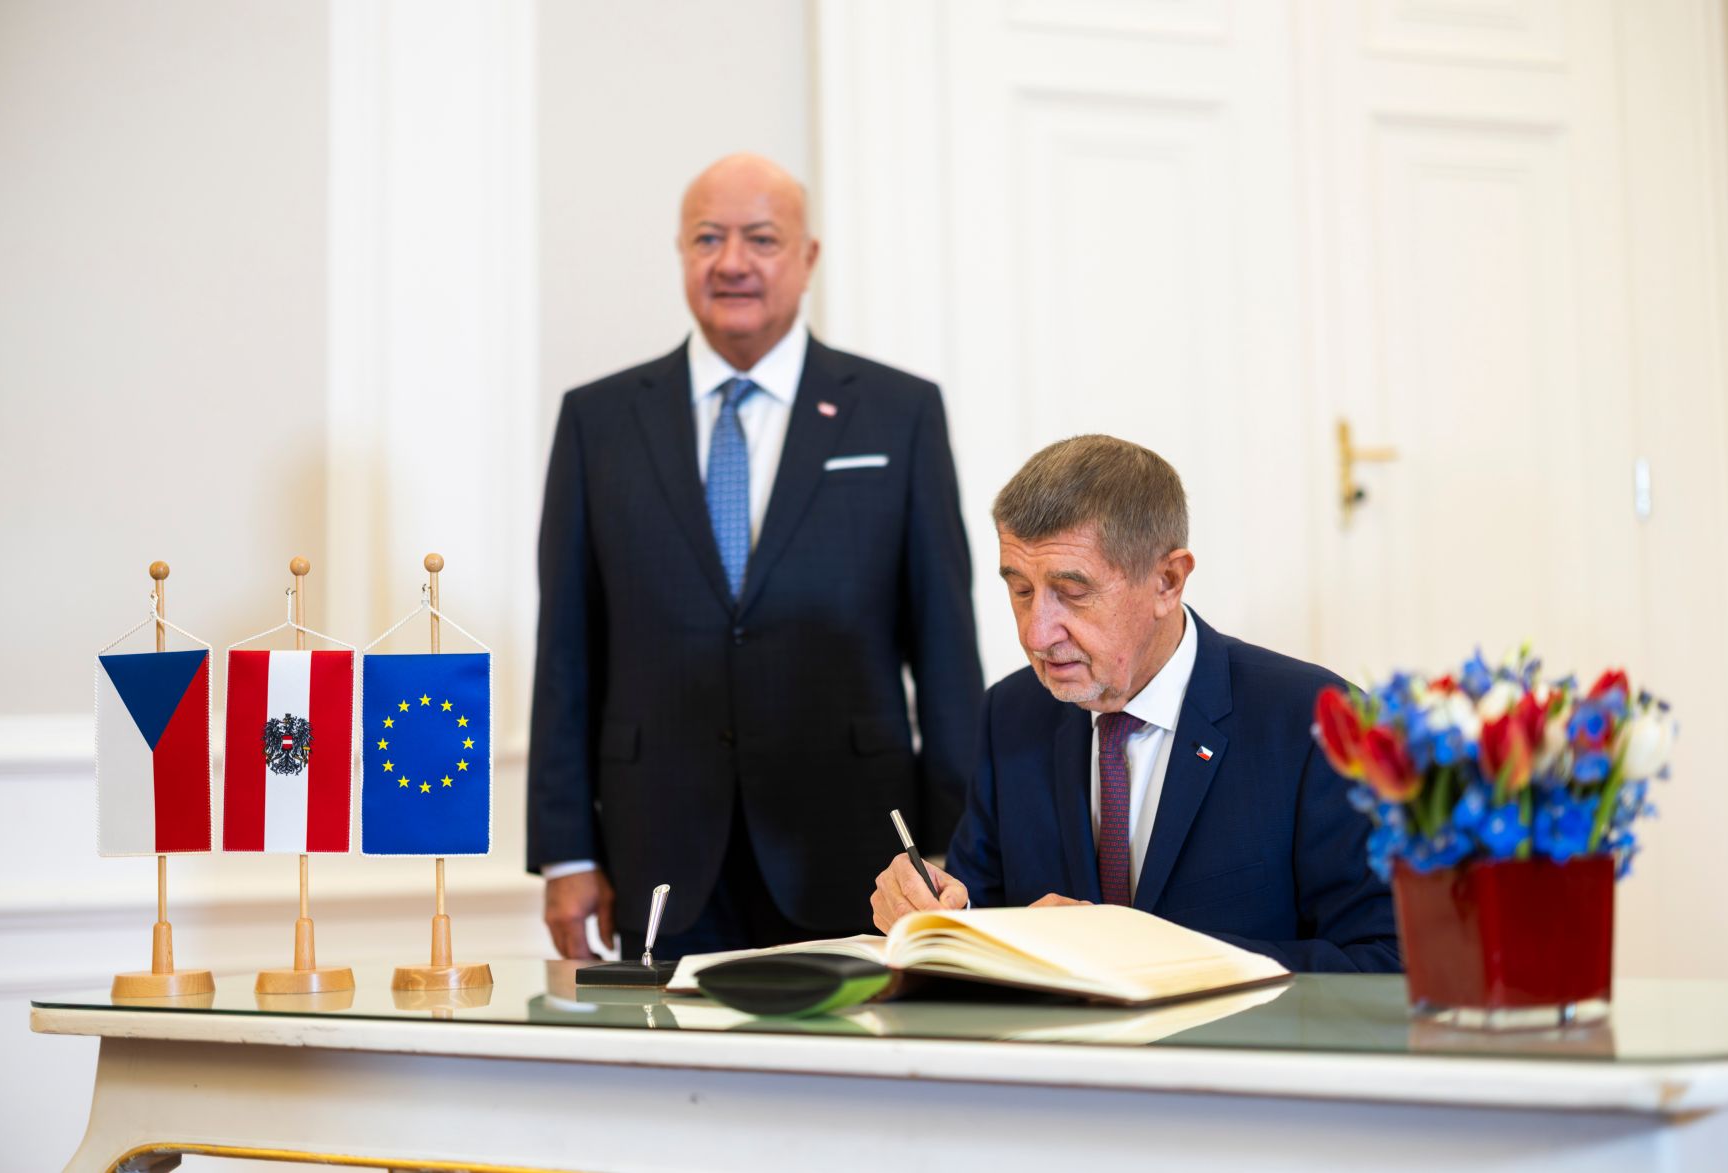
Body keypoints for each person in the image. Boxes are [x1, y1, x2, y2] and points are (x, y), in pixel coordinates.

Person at [530, 154, 983, 959]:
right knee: (669, 1080)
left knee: (846, 1081)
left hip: (859, 854)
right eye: (708, 237)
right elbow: (566, 652)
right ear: (681, 252)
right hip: (657, 852)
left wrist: (958, 843)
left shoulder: (899, 414)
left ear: (807, 258)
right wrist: (567, 851)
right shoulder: (596, 423)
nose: (732, 261)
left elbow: (946, 647)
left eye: (762, 238)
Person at [869, 435, 1399, 972]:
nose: (1036, 634)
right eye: (1021, 591)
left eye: (1072, 592)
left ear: (1168, 581)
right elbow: (981, 910)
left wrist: (1139, 953)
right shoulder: (1010, 714)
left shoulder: (1315, 721)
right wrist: (940, 913)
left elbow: (1384, 960)